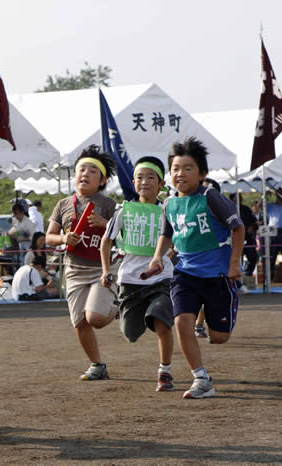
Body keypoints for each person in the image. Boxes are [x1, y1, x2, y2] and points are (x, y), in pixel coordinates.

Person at [149, 137, 244, 399]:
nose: (180, 173)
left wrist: (234, 263)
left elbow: (238, 227)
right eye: (176, 168)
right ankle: (201, 379)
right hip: (185, 275)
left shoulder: (211, 197)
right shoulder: (169, 203)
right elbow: (166, 234)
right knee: (181, 322)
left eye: (188, 168)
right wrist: (158, 257)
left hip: (218, 276)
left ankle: (221, 308)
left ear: (201, 173)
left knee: (219, 337)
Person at [100, 156, 175, 392]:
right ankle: (122, 310)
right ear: (133, 183)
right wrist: (105, 271)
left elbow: (176, 241)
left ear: (161, 183)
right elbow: (106, 242)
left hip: (160, 279)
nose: (145, 182)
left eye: (151, 177)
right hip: (130, 281)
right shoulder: (124, 210)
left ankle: (165, 372)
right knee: (130, 333)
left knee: (161, 320)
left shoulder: (168, 210)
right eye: (140, 177)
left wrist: (168, 258)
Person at [46, 145, 118, 381]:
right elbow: (49, 236)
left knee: (94, 318)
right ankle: (97, 365)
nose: (85, 174)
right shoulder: (63, 204)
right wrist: (64, 238)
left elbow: (123, 235)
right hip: (74, 269)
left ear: (102, 180)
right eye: (80, 170)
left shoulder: (108, 204)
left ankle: (121, 306)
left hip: (101, 269)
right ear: (74, 175)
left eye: (92, 171)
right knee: (79, 322)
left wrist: (104, 223)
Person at [266, 188, 282, 279]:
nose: (279, 197)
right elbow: (256, 208)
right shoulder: (271, 205)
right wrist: (265, 195)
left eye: (281, 195)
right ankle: (269, 278)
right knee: (271, 257)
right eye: (278, 194)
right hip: (272, 231)